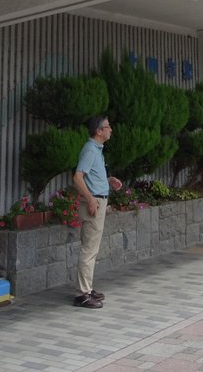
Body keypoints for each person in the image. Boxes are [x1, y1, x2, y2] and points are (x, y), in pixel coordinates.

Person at [72, 115, 122, 309]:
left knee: (92, 248)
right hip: (94, 204)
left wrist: (108, 180)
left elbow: (91, 175)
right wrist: (91, 199)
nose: (111, 130)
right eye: (108, 127)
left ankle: (87, 288)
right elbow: (77, 177)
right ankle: (82, 294)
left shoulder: (96, 150)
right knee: (89, 249)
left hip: (98, 201)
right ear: (99, 131)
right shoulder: (90, 150)